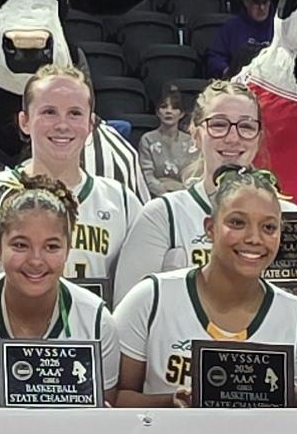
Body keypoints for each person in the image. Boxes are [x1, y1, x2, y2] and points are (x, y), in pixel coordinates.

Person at [110, 166, 297, 404]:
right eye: (237, 223)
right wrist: (171, 403)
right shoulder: (151, 298)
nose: (254, 238)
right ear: (210, 228)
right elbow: (114, 399)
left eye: (269, 227)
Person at [109, 76, 265, 298]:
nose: (233, 137)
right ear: (195, 134)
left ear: (258, 138)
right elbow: (126, 309)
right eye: (219, 125)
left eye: (246, 126)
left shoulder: (287, 216)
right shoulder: (163, 215)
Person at [0, 184, 111, 402]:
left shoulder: (96, 319)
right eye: (20, 245)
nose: (36, 260)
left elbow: (105, 415)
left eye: (52, 247)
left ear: (68, 249)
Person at [0, 65, 134, 287]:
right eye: (49, 112)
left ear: (90, 125)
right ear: (25, 122)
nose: (62, 125)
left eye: (75, 113)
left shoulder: (121, 202)